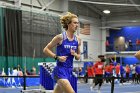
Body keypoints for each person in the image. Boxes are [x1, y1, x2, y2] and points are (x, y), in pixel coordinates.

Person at [43, 12, 81, 93]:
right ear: (68, 24)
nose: (77, 25)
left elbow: (78, 57)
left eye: (77, 23)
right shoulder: (60, 37)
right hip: (60, 70)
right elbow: (46, 49)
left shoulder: (78, 39)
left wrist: (75, 54)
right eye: (75, 23)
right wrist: (57, 57)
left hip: (69, 71)